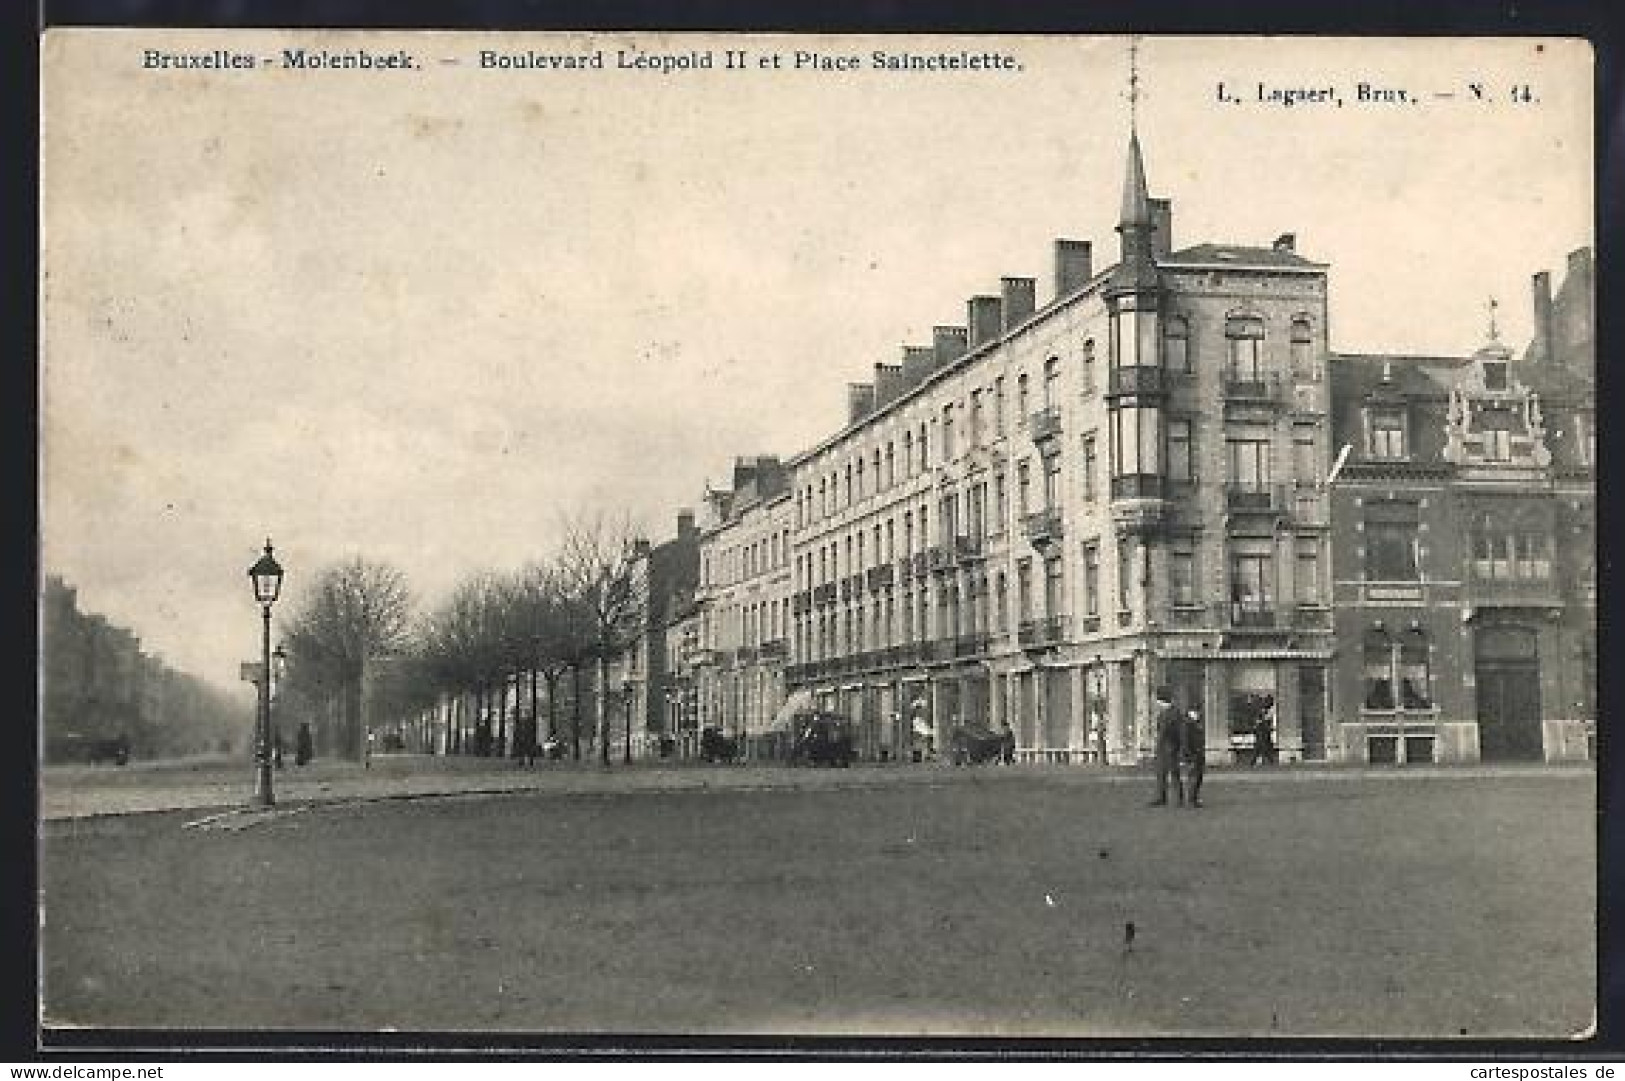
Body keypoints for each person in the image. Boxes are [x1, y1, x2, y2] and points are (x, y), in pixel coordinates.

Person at [1149, 686, 1184, 807]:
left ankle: (1163, 797)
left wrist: (1157, 745)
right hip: (1173, 746)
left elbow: (1163, 732)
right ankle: (1176, 798)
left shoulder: (1165, 714)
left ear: (1160, 700)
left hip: (1166, 747)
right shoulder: (1176, 712)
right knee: (1171, 774)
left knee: (1165, 773)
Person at [1182, 707, 1206, 808]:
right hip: (1193, 756)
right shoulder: (1188, 726)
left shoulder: (1195, 725)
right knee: (1193, 778)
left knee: (1198, 778)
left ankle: (1194, 798)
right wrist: (1189, 756)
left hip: (1198, 755)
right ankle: (1191, 800)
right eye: (1195, 713)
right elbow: (1186, 743)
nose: (1197, 715)